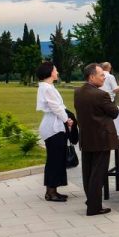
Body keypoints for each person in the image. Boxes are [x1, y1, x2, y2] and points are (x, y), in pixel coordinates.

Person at [74, 63, 119, 216]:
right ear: (92, 76)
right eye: (101, 75)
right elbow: (114, 113)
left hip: (87, 137)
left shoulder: (78, 92)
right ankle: (94, 206)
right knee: (98, 173)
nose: (104, 77)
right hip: (101, 138)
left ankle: (91, 200)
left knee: (87, 172)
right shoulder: (101, 94)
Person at [36, 61, 73, 202]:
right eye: (55, 70)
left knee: (56, 160)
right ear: (50, 72)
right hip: (53, 127)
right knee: (54, 160)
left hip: (53, 125)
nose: (57, 72)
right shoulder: (47, 88)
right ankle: (51, 192)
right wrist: (67, 119)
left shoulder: (47, 87)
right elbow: (55, 107)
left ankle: (53, 190)